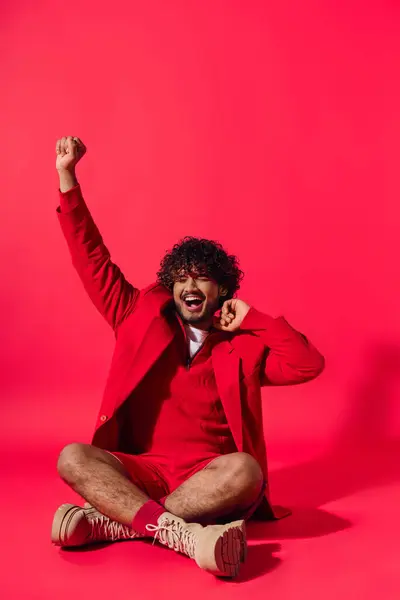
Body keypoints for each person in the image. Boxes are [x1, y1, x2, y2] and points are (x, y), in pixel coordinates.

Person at [51, 135, 325, 578]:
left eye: (203, 279)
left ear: (222, 291)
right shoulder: (136, 314)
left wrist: (257, 319)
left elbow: (306, 365)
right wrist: (68, 178)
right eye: (181, 279)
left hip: (208, 477)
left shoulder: (245, 345)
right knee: (72, 457)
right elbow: (92, 260)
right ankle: (186, 535)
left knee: (246, 471)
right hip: (142, 470)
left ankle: (119, 523)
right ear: (172, 286)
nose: (190, 287)